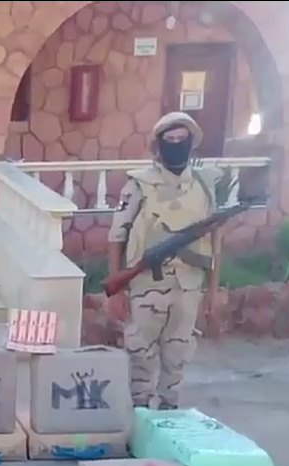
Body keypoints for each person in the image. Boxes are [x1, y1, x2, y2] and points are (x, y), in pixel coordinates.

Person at [106, 112, 221, 410]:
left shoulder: (204, 185)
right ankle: (141, 417)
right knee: (140, 358)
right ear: (158, 145)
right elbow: (117, 236)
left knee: (177, 358)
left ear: (191, 144)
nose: (176, 144)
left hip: (188, 287)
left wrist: (213, 289)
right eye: (170, 140)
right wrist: (116, 289)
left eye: (182, 139)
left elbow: (214, 242)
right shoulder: (139, 184)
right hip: (146, 285)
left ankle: (170, 418)